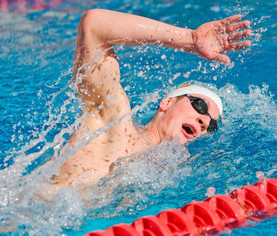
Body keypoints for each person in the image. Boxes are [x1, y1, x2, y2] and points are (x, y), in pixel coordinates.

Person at [51, 9, 252, 188]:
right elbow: (93, 24)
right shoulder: (114, 122)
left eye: (212, 125)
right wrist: (189, 39)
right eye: (199, 106)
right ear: (167, 102)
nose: (205, 121)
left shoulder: (161, 177)